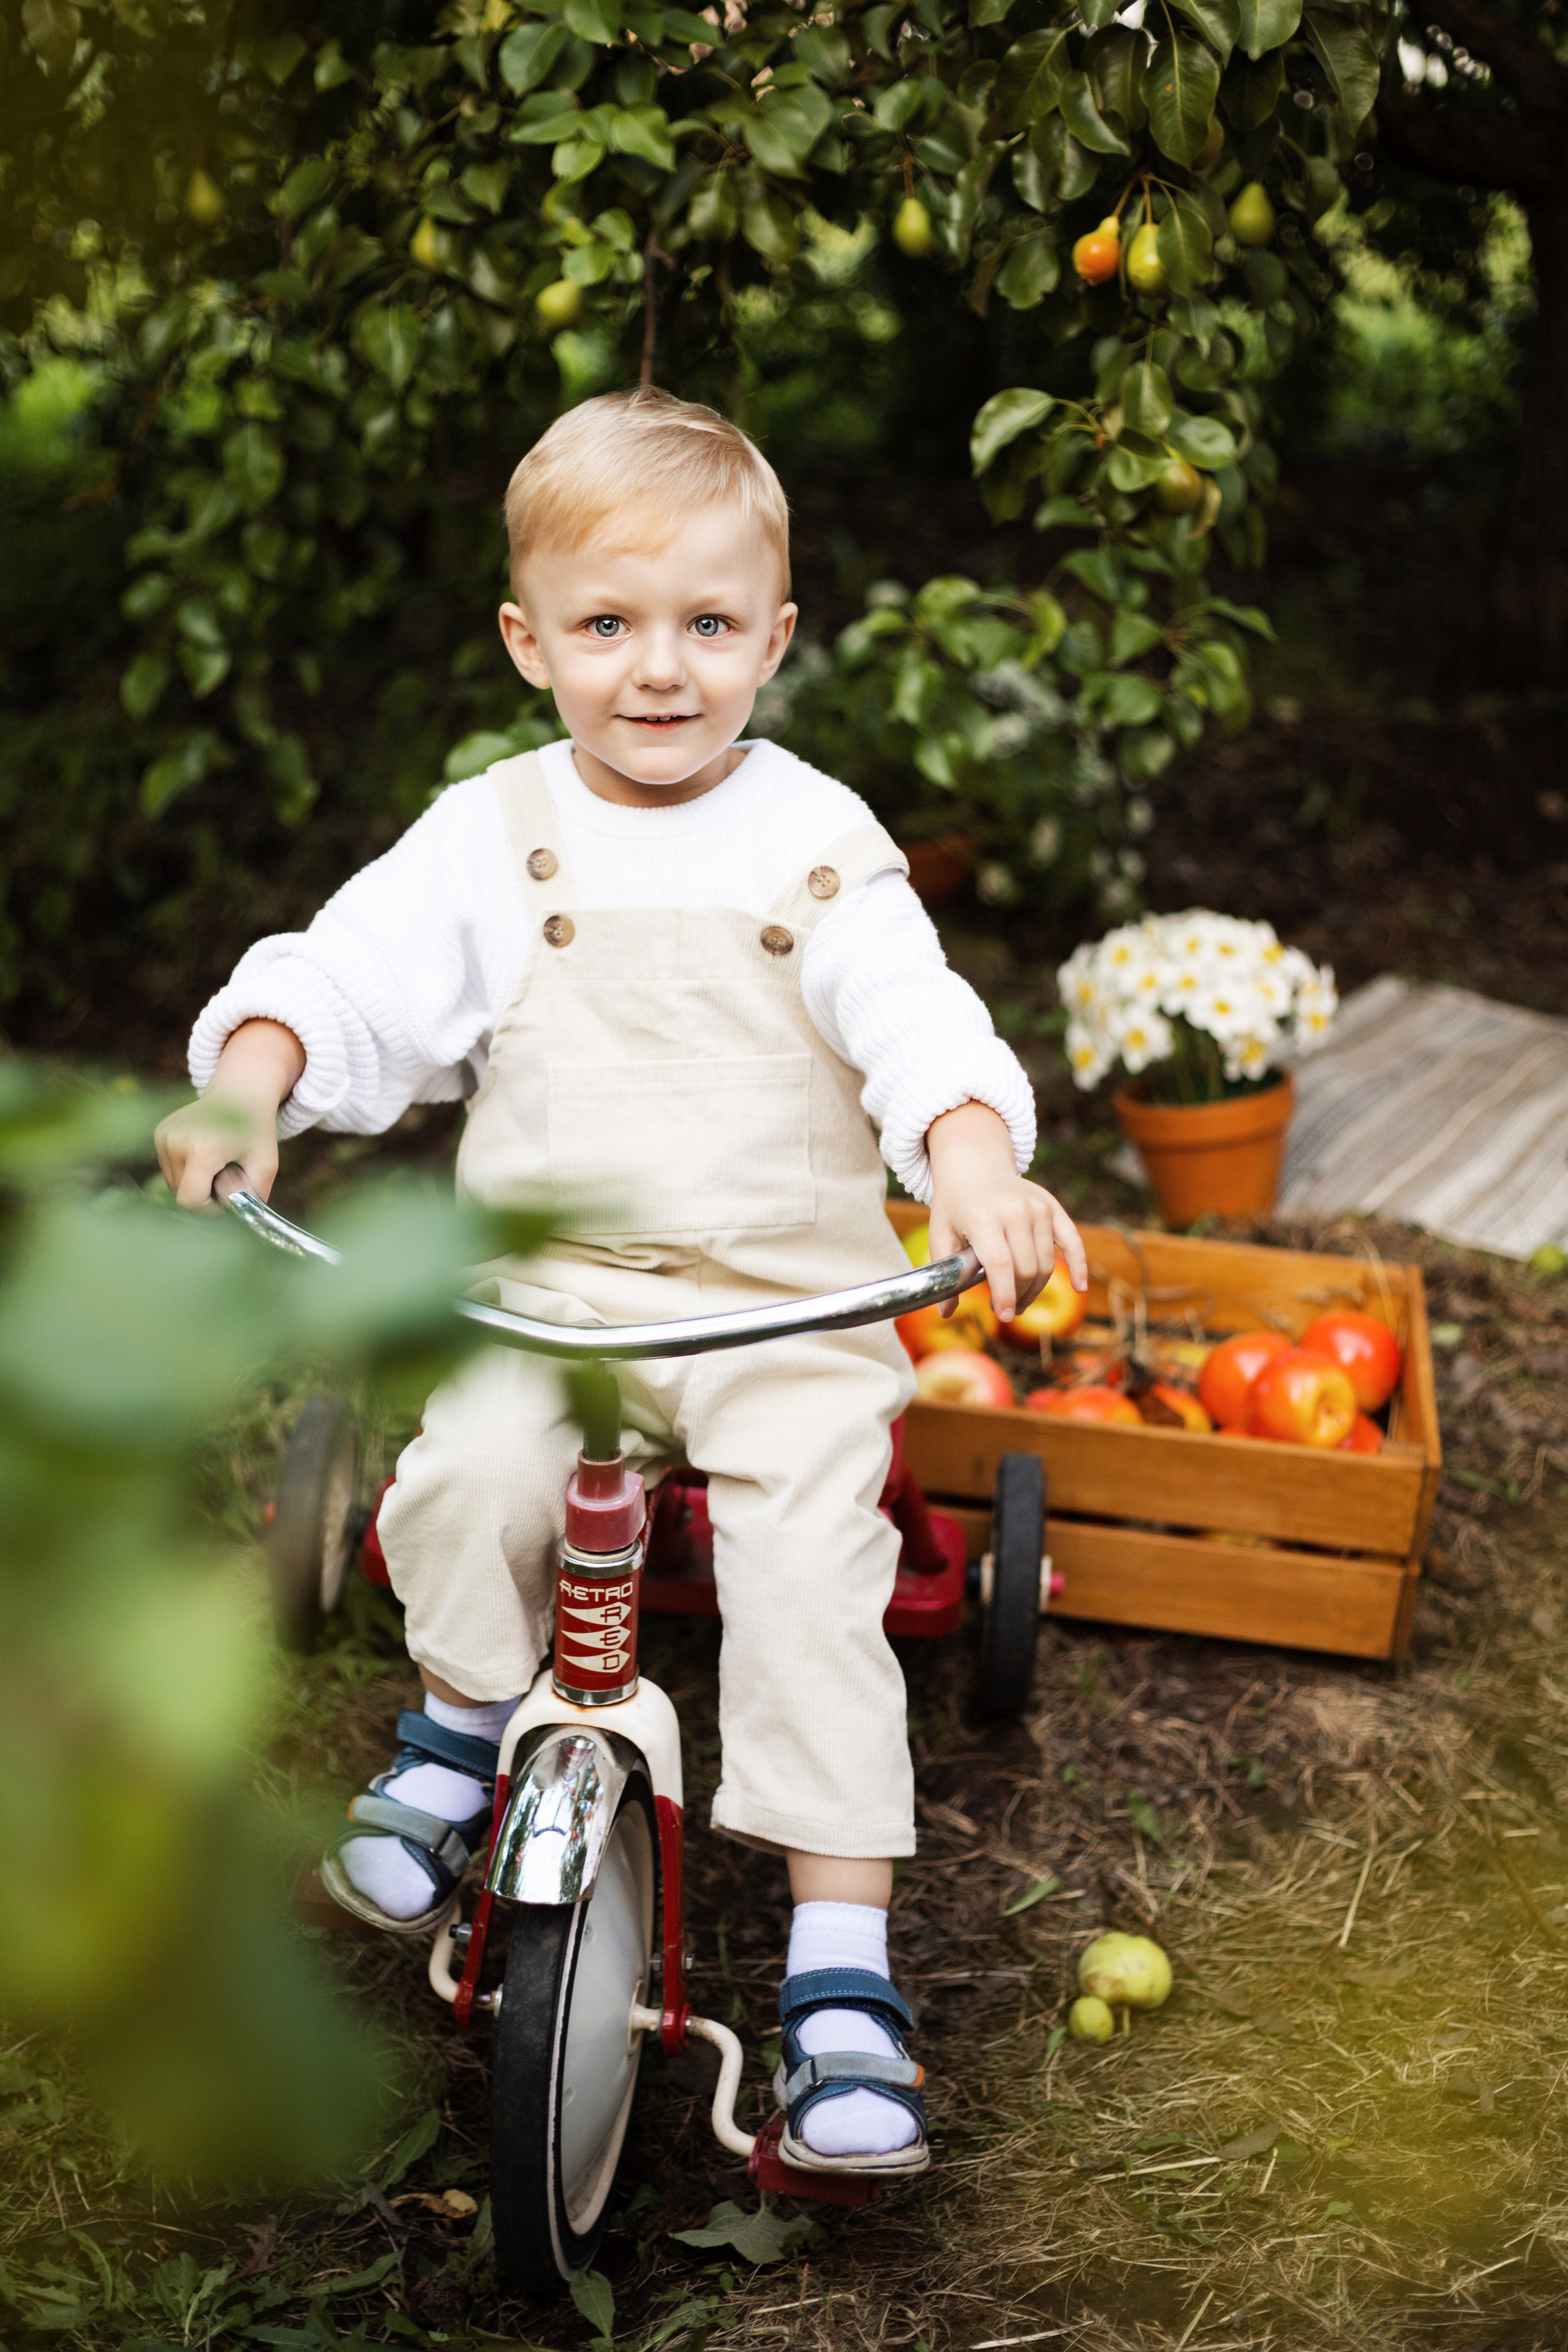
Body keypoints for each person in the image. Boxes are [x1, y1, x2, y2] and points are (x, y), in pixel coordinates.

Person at [156, 387, 1087, 2178]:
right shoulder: (494, 835)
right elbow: (347, 975)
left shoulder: (818, 842)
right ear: (530, 641)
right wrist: (252, 1075)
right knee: (469, 1477)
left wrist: (969, 1150)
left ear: (776, 638)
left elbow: (914, 1018)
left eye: (709, 626)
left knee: (813, 1568)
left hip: (783, 1305)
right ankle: (454, 1728)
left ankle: (838, 1966)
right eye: (608, 626)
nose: (660, 671)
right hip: (560, 1296)